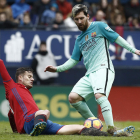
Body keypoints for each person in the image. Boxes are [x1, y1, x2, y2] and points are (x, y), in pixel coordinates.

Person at [44, 4, 139, 135]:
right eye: (76, 19)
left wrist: (134, 50)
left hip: (103, 68)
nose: (79, 21)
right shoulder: (79, 39)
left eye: (81, 18)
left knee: (99, 96)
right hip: (90, 74)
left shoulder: (99, 26)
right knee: (73, 97)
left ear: (88, 16)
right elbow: (73, 60)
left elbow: (117, 38)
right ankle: (95, 124)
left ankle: (112, 130)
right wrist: (57, 69)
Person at [0, 59, 110, 137]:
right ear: (20, 77)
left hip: (42, 121)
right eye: (29, 77)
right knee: (45, 111)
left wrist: (15, 131)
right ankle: (38, 126)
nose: (32, 79)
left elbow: (11, 114)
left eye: (32, 77)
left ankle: (106, 134)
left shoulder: (25, 93)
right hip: (30, 121)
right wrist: (19, 130)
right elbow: (0, 63)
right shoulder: (12, 87)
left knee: (76, 128)